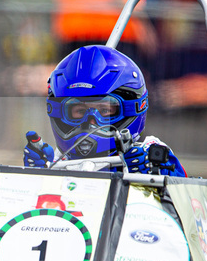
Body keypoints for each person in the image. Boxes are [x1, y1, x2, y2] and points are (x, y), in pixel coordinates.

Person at [24, 44, 186, 178]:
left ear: (131, 108)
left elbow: (188, 203)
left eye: (104, 110)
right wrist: (37, 177)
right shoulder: (56, 162)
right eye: (79, 111)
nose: (90, 122)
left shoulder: (151, 154)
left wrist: (156, 171)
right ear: (60, 112)